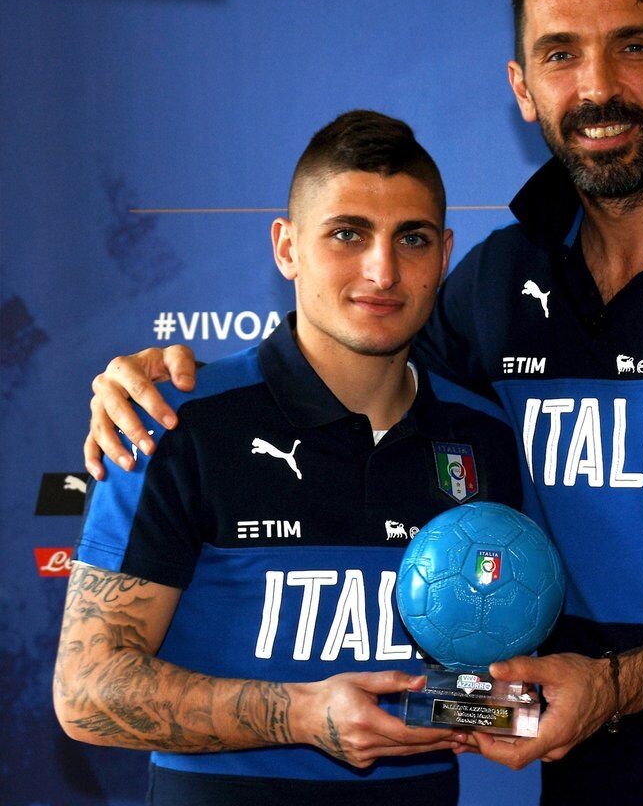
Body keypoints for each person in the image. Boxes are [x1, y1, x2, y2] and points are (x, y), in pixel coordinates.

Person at [83, 0, 643, 803]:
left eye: (630, 48)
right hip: (591, 761)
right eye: (560, 55)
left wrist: (622, 686)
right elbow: (356, 380)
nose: (598, 87)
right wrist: (155, 377)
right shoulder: (493, 281)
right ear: (523, 87)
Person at [57, 110, 523, 806]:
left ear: (445, 255)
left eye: (412, 239)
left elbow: (479, 695)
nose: (382, 270)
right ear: (286, 247)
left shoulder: (481, 435)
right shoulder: (174, 420)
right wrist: (304, 716)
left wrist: (506, 710)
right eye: (347, 233)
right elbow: (86, 691)